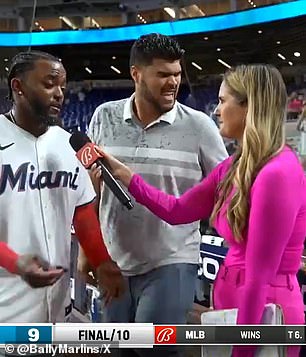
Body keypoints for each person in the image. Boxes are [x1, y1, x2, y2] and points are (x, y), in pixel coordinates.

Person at [94, 64, 306, 357]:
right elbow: (178, 210)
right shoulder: (233, 167)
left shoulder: (277, 173)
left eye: (223, 101)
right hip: (232, 309)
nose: (216, 111)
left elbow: (258, 279)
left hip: (266, 314)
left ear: (249, 107)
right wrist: (128, 177)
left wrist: (240, 353)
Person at [79, 33, 228, 356]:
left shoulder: (200, 127)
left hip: (173, 258)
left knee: (153, 349)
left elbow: (226, 188)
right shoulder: (103, 117)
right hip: (114, 260)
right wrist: (89, 253)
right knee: (118, 350)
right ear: (136, 74)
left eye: (176, 74)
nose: (173, 82)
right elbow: (91, 188)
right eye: (163, 75)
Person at [0, 50, 125, 323]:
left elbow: (81, 211)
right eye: (49, 84)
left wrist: (101, 260)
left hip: (57, 307)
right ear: (18, 87)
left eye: (62, 87)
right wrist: (14, 261)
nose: (59, 94)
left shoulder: (68, 144)